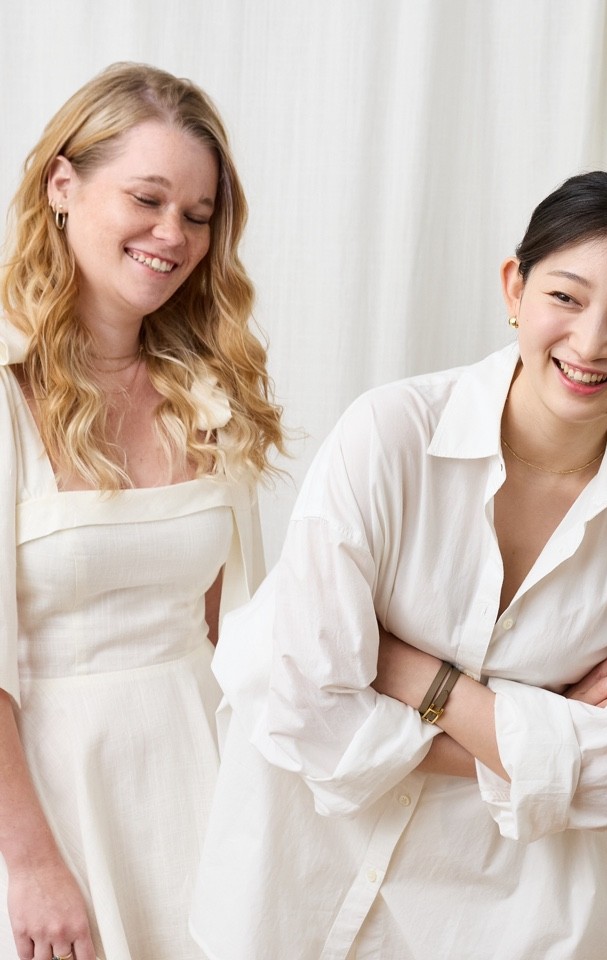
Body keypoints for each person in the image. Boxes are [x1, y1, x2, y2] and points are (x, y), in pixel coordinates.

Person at [188, 170, 607, 959]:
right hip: (297, 881)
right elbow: (309, 706)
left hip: (506, 918)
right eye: (567, 297)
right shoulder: (390, 436)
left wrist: (407, 671)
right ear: (515, 287)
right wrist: (543, 724)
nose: (591, 343)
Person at [0, 63, 283, 960]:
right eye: (148, 199)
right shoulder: (5, 388)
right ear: (63, 184)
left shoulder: (210, 394)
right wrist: (30, 865)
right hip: (44, 807)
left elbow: (241, 634)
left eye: (198, 215)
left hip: (203, 782)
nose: (173, 236)